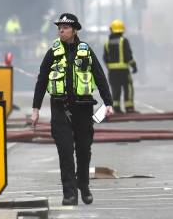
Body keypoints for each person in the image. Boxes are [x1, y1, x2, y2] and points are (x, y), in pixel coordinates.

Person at [30, 13, 114, 206]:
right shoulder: (53, 51)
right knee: (65, 152)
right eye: (59, 27)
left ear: (74, 30)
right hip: (60, 110)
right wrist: (35, 109)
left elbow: (100, 77)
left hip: (83, 109)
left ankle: (83, 185)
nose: (61, 30)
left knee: (84, 150)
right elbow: (42, 80)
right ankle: (69, 193)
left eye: (66, 27)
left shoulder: (86, 50)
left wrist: (108, 103)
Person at [103, 19, 138, 113]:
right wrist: (133, 65)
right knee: (128, 89)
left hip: (112, 72)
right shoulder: (123, 41)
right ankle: (129, 108)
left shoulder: (107, 43)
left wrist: (110, 68)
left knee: (115, 90)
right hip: (124, 70)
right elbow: (128, 55)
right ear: (122, 30)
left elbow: (105, 58)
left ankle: (117, 109)